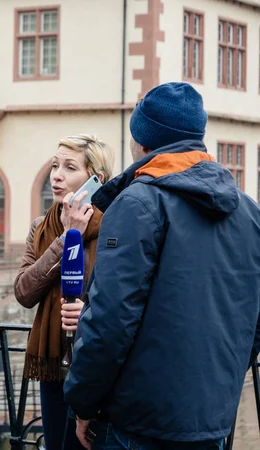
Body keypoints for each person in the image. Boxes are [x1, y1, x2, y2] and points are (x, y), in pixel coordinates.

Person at [64, 82, 260, 450]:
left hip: (139, 422)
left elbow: (110, 318)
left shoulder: (138, 203)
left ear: (142, 140)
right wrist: (223, 382)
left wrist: (83, 401)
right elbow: (254, 321)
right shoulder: (249, 212)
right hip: (210, 419)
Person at [14, 135, 115, 449]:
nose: (56, 174)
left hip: (94, 364)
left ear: (95, 179)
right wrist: (68, 239)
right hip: (54, 364)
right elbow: (23, 291)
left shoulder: (114, 226)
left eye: (70, 167)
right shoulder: (41, 227)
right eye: (55, 165)